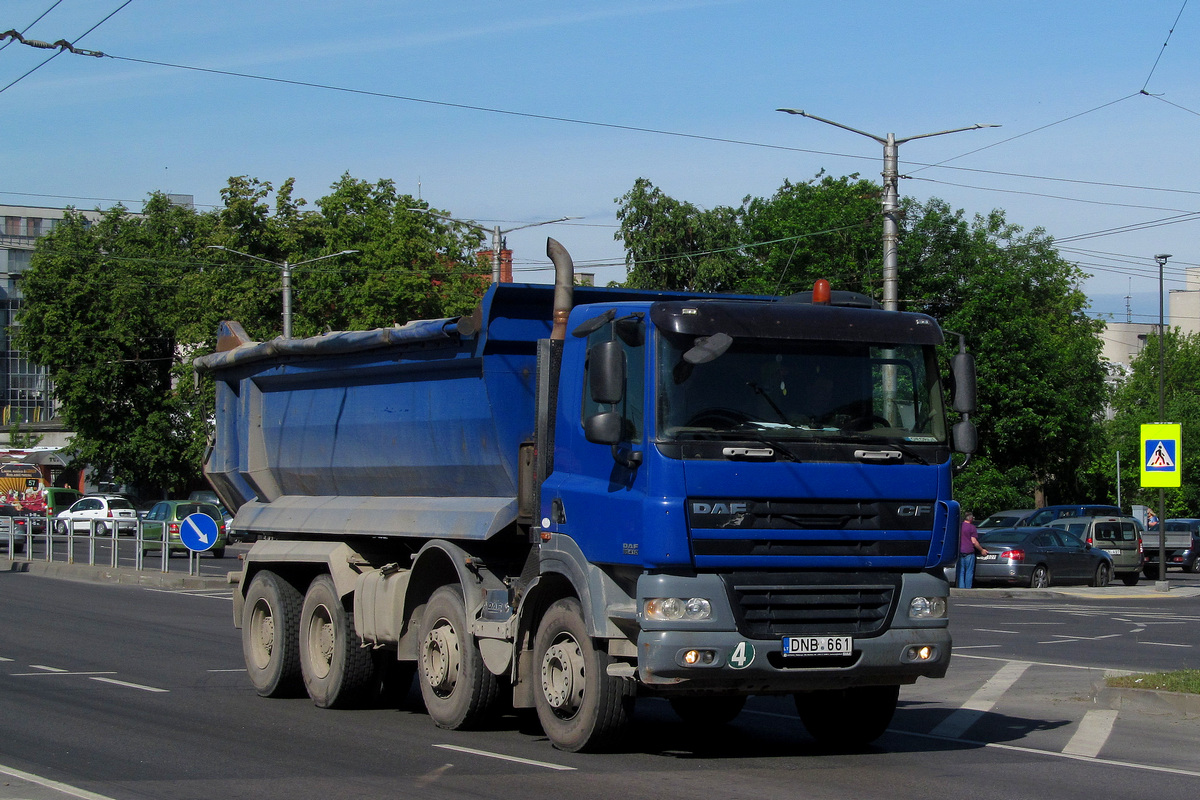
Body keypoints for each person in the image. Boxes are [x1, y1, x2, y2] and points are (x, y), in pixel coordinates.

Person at [956, 512, 988, 588]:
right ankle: (968, 589)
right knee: (969, 572)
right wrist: (981, 550)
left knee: (961, 572)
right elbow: (974, 541)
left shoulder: (959, 526)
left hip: (959, 552)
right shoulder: (972, 527)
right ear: (970, 519)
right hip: (969, 552)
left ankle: (961, 589)